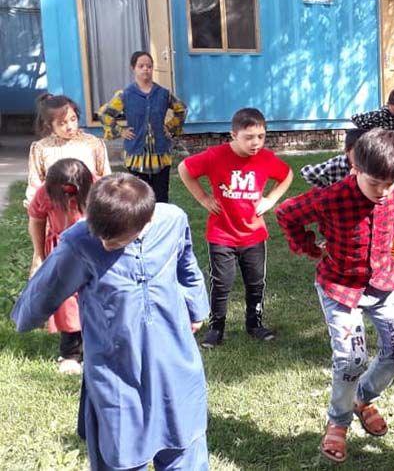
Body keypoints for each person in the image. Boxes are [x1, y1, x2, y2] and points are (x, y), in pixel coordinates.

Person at [12, 173, 210, 470]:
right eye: (100, 236)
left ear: (146, 222)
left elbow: (187, 264)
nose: (104, 244)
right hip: (116, 366)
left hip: (174, 359)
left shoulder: (173, 220)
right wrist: (25, 317)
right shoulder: (80, 241)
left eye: (114, 240)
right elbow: (45, 289)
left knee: (183, 443)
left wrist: (196, 308)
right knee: (121, 451)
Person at [275, 129, 394, 464]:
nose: (383, 192)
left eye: (390, 183)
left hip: (383, 283)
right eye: (375, 183)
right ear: (355, 167)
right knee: (351, 359)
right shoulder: (332, 197)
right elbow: (287, 214)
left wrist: (386, 240)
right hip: (340, 286)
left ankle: (362, 398)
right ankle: (338, 422)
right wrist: (309, 248)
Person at [178, 108, 293, 348]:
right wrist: (203, 199)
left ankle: (255, 324)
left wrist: (270, 200)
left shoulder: (266, 158)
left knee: (255, 282)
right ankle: (216, 327)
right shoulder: (214, 156)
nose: (256, 143)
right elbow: (184, 170)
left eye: (261, 136)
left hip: (253, 234)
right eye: (249, 137)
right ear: (233, 135)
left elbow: (287, 175)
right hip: (222, 234)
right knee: (221, 283)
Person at [27, 158, 94, 374]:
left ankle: (99, 347)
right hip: (62, 249)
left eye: (74, 192)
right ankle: (71, 354)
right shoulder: (44, 193)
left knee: (98, 295)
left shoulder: (99, 188)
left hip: (95, 247)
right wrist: (39, 255)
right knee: (67, 300)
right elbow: (37, 220)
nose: (70, 197)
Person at [98, 51, 187, 203]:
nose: (145, 69)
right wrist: (121, 131)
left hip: (160, 154)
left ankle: (160, 224)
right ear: (133, 69)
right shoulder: (125, 95)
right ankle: (142, 226)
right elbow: (104, 114)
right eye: (141, 66)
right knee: (138, 197)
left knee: (161, 197)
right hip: (136, 155)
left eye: (149, 66)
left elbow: (181, 109)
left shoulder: (164, 94)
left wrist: (170, 127)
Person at [25, 93, 110, 208]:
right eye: (62, 123)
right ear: (50, 125)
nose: (70, 126)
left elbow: (105, 177)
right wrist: (37, 208)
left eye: (73, 119)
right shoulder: (41, 148)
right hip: (55, 208)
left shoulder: (93, 143)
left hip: (89, 207)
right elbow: (35, 184)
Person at [301, 129, 365, 189]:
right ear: (347, 151)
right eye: (358, 153)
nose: (363, 157)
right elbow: (306, 172)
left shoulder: (369, 164)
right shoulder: (335, 165)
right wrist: (325, 189)